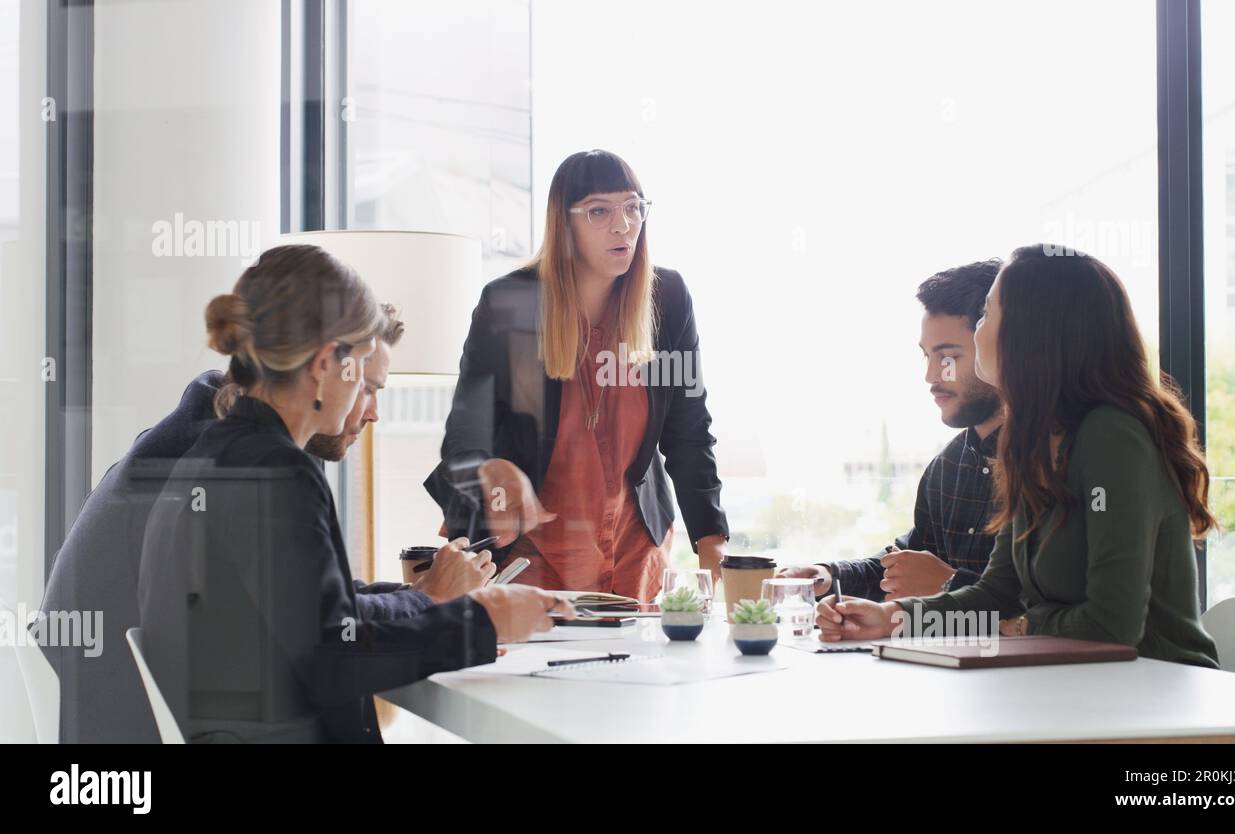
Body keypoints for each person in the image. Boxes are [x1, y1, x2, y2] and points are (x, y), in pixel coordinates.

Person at [138, 245, 573, 743]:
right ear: (327, 363)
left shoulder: (217, 455)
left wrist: (429, 603)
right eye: (364, 370)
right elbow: (336, 653)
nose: (368, 407)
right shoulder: (279, 472)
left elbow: (321, 624)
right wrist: (485, 622)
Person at [39, 301, 486, 742]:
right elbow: (324, 641)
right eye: (366, 388)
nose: (372, 412)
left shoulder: (192, 438)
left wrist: (410, 596)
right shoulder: (247, 468)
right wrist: (429, 601)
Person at [817, 245, 1220, 668]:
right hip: (1078, 684)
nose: (978, 331)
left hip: (1159, 688)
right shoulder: (1031, 444)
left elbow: (1110, 626)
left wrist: (1018, 625)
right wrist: (891, 618)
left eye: (988, 315)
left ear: (1032, 333)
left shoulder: (1111, 435)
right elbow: (996, 594)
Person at [425, 150, 729, 600]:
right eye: (599, 211)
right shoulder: (510, 305)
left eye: (633, 207)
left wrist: (711, 542)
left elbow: (688, 433)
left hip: (633, 550)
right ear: (564, 224)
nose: (623, 224)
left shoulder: (668, 299)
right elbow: (465, 440)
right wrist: (494, 475)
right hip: (531, 555)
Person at [777, 260, 1004, 600]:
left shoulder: (1054, 462)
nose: (930, 375)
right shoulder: (949, 464)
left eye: (948, 357)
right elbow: (906, 566)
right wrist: (828, 576)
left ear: (998, 348)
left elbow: (1042, 611)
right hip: (943, 652)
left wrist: (950, 584)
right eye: (926, 356)